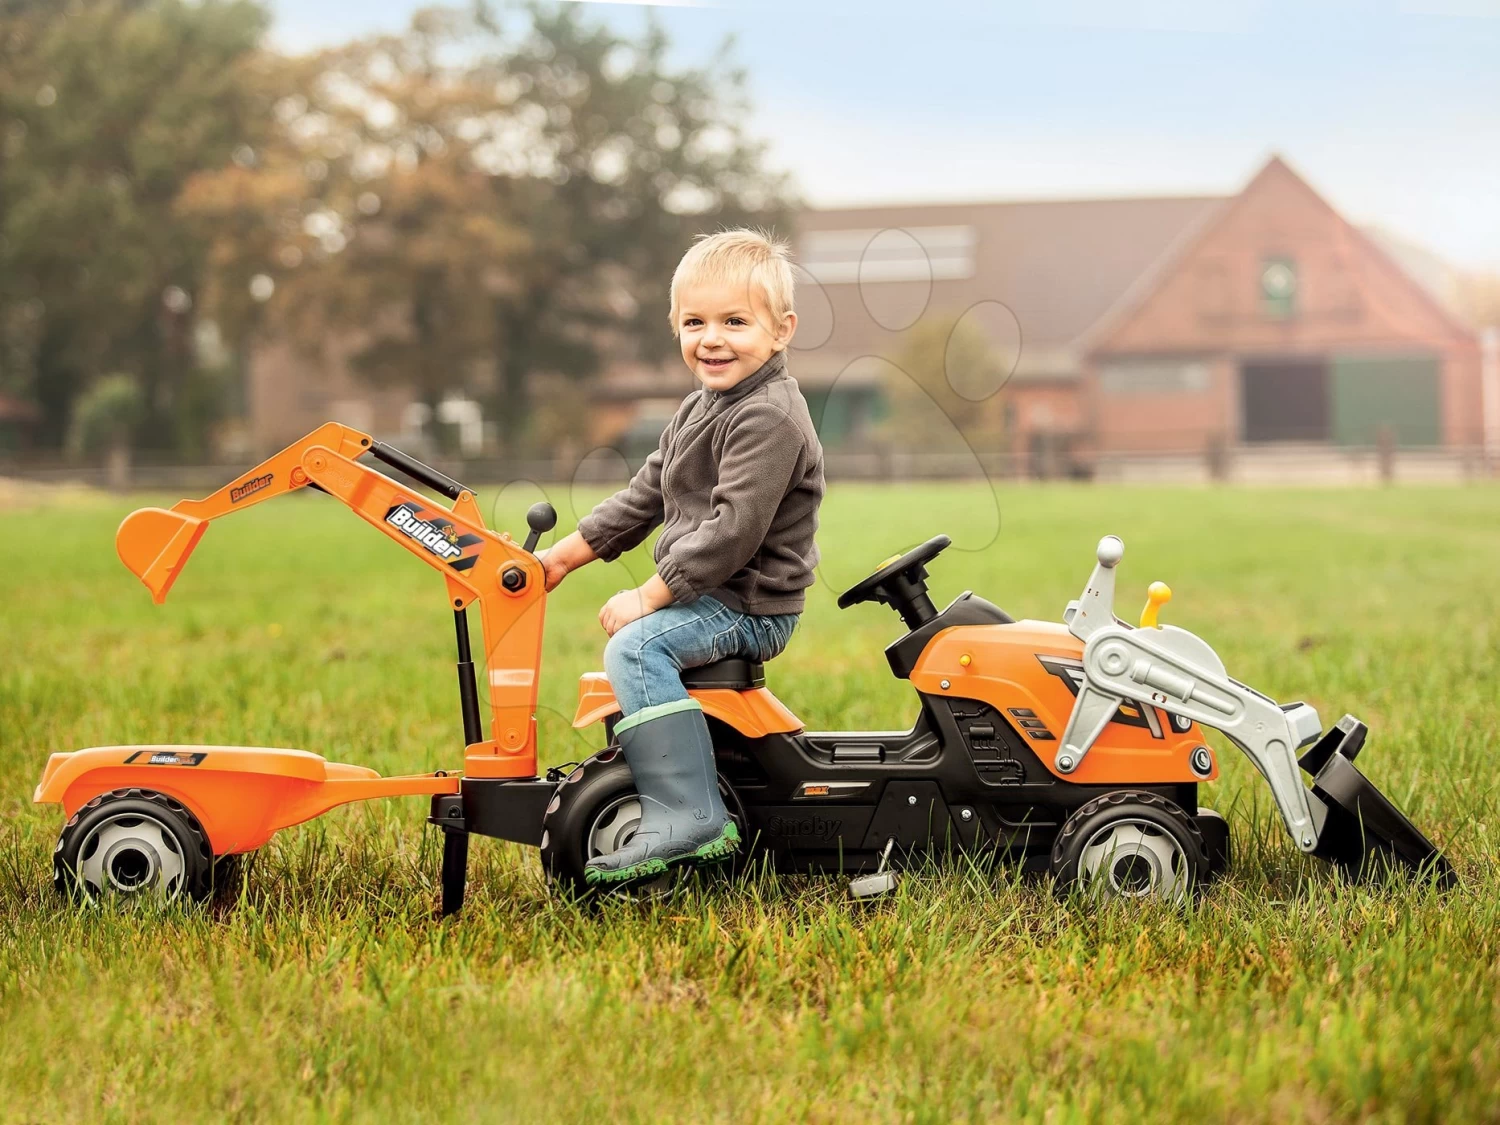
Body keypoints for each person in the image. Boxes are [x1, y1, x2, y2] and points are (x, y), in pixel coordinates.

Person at [539, 229, 825, 886]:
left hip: (748, 603)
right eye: (695, 321)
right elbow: (647, 492)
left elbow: (732, 531)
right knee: (637, 644)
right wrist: (565, 555)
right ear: (676, 328)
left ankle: (688, 812)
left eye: (735, 321)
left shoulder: (770, 415)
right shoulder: (703, 406)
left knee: (637, 649)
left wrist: (652, 593)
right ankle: (679, 779)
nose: (712, 338)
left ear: (781, 331)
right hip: (714, 592)